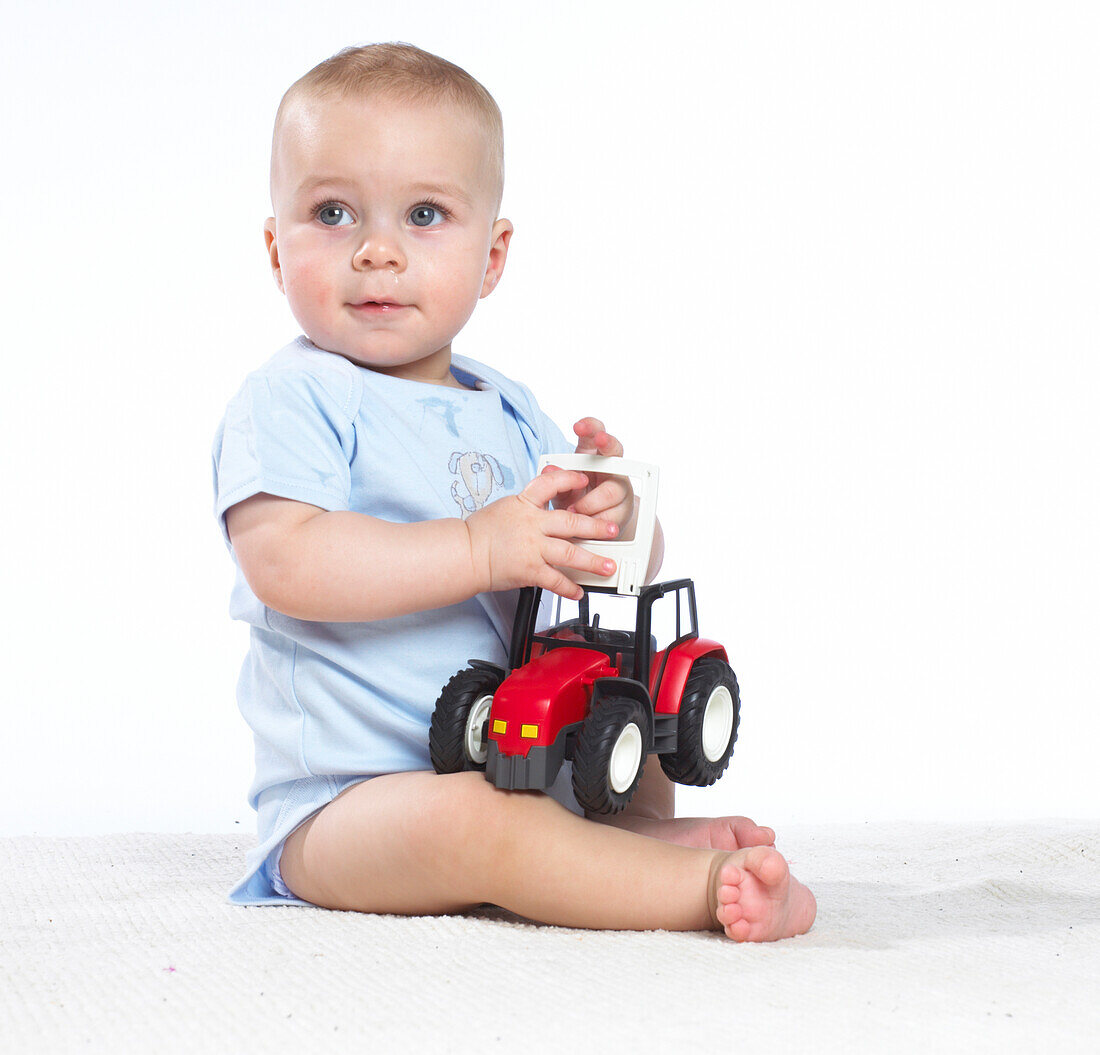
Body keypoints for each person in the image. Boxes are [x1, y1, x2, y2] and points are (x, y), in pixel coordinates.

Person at [212, 42, 816, 942]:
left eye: (424, 214)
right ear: (274, 246)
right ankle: (694, 889)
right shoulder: (295, 396)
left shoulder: (509, 410)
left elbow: (593, 569)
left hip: (517, 756)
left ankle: (637, 833)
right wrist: (476, 549)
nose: (377, 252)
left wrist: (614, 520)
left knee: (625, 678)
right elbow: (285, 561)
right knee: (479, 827)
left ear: (492, 257)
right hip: (355, 803)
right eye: (332, 213)